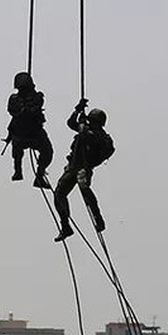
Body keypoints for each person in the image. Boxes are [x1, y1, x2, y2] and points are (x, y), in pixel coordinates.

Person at [53, 98, 115, 241]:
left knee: (85, 191)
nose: (90, 123)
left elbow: (90, 138)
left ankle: (98, 219)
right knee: (59, 194)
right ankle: (65, 226)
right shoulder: (85, 129)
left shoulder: (100, 136)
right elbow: (70, 123)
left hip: (83, 168)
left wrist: (82, 126)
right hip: (73, 166)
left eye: (92, 121)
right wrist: (77, 110)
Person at [5, 71, 53, 188]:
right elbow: (15, 112)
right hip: (27, 134)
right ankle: (19, 171)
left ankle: (37, 175)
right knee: (19, 149)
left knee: (47, 151)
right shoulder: (16, 99)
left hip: (31, 134)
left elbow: (30, 110)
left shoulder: (36, 97)